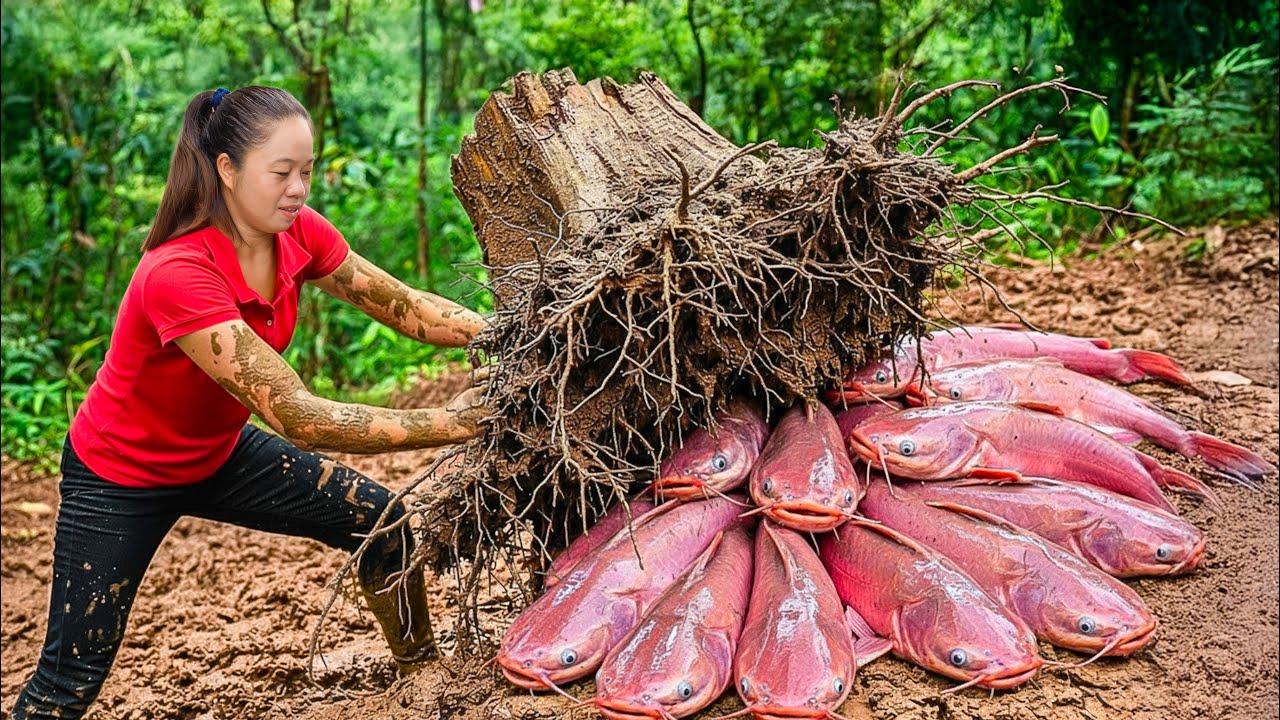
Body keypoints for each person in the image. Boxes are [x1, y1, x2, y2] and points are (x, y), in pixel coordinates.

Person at [9, 86, 488, 720]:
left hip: (219, 452)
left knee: (384, 524)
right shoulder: (177, 272)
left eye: (308, 171)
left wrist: (513, 331)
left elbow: (406, 306)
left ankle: (421, 677)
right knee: (68, 682)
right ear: (227, 170)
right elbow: (297, 415)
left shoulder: (299, 234)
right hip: (119, 477)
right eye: (282, 172)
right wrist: (454, 423)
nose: (299, 189)